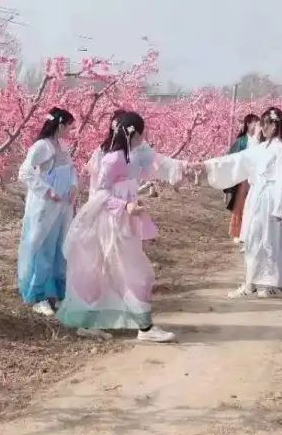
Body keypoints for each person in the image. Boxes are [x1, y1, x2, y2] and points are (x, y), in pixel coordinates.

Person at [58, 111, 176, 343]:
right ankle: (145, 327)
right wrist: (126, 205)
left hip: (124, 221)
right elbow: (101, 192)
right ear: (134, 133)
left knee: (110, 270)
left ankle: (91, 323)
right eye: (142, 132)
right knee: (133, 271)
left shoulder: (129, 156)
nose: (144, 137)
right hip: (113, 222)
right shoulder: (114, 158)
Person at [200, 107, 282, 297]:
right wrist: (208, 166)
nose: (261, 128)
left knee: (270, 241)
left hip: (272, 199)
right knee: (254, 239)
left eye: (264, 124)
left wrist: (281, 207)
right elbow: (238, 160)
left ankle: (269, 283)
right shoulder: (262, 148)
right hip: (258, 197)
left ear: (274, 125)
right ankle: (251, 281)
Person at [16, 107, 77, 316]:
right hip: (46, 205)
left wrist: (74, 185)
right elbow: (25, 172)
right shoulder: (42, 146)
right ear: (60, 125)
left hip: (63, 205)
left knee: (61, 247)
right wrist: (47, 190)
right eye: (69, 126)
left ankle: (57, 293)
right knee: (43, 247)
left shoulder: (62, 145)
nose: (70, 130)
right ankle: (38, 295)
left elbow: (71, 169)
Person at [225, 114, 261, 245]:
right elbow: (231, 157)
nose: (257, 126)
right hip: (243, 178)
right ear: (248, 124)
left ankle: (252, 232)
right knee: (240, 204)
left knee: (255, 205)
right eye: (254, 123)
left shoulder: (260, 141)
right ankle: (237, 232)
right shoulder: (241, 141)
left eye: (258, 123)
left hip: (257, 177)